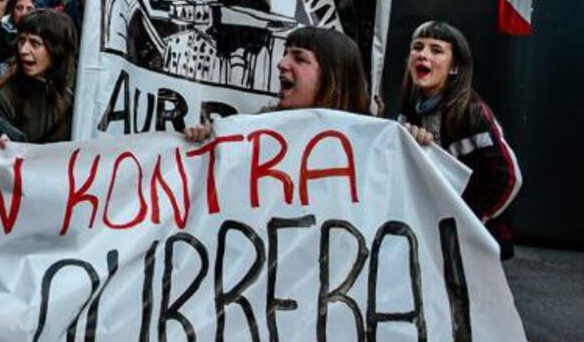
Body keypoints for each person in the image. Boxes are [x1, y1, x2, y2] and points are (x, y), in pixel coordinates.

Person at [392, 21, 522, 253]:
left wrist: (471, 220)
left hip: (474, 239)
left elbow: (509, 177)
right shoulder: (409, 109)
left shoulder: (472, 114)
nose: (423, 54)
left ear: (454, 67)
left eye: (436, 49)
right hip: (430, 232)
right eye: (417, 47)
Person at [183, 26, 372, 144]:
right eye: (286, 54)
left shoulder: (374, 143)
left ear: (333, 76)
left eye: (299, 58)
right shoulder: (251, 131)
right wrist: (208, 141)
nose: (281, 63)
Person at [0, 9, 78, 143]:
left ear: (57, 48)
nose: (23, 50)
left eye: (35, 43)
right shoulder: (7, 95)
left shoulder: (80, 88)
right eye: (21, 41)